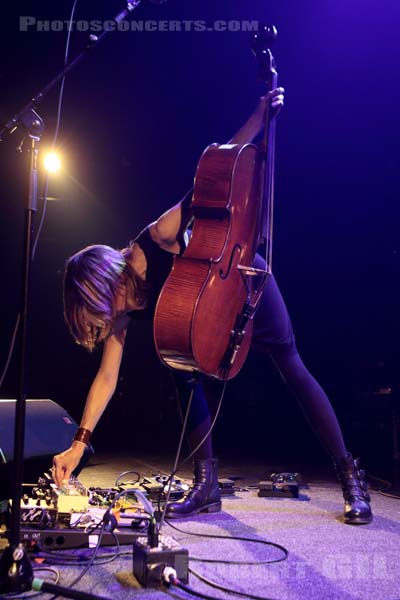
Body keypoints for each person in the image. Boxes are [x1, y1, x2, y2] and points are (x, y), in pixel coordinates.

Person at [52, 88, 372, 525]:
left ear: (107, 282)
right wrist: (79, 441)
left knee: (291, 365)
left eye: (99, 309)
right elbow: (106, 377)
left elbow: (213, 184)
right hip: (205, 323)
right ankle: (206, 486)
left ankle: (350, 475)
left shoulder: (160, 235)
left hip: (239, 278)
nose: (107, 322)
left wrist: (258, 118)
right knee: (178, 366)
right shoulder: (123, 309)